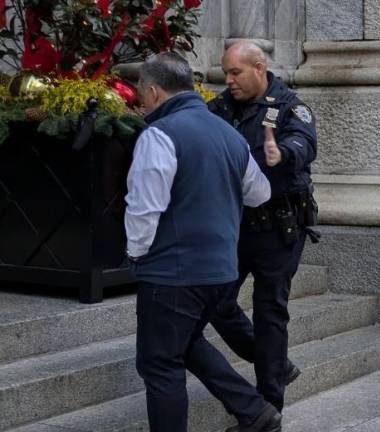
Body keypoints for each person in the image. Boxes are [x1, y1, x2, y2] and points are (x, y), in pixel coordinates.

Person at [125, 52, 280, 432]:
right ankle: (255, 411)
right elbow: (259, 193)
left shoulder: (159, 134)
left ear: (156, 92)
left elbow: (145, 209)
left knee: (159, 363)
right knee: (188, 342)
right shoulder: (227, 132)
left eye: (142, 94)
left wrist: (136, 255)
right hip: (220, 272)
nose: (140, 102)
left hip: (173, 273)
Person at [208, 41, 318, 414]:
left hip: (279, 228)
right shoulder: (221, 106)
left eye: (235, 72)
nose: (229, 80)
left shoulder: (289, 106)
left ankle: (270, 407)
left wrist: (282, 153)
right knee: (217, 302)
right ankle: (274, 361)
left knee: (270, 311)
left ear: (259, 67)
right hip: (235, 227)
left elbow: (304, 142)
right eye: (225, 72)